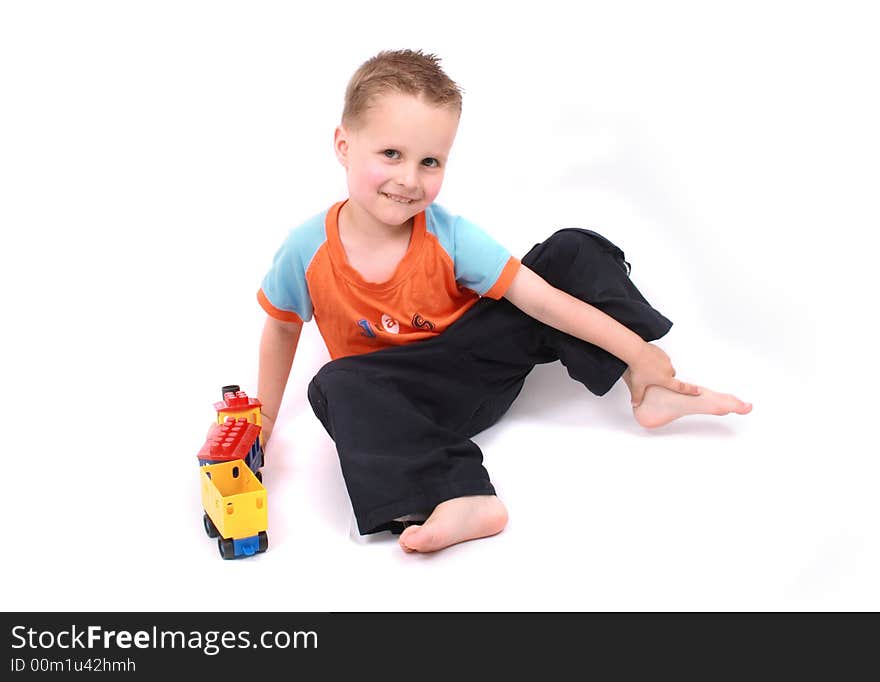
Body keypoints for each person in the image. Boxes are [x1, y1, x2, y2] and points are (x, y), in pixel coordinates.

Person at [255, 49, 751, 554]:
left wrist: (640, 353)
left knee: (570, 250)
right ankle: (458, 493)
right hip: (404, 399)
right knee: (335, 383)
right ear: (343, 144)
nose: (409, 178)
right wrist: (265, 420)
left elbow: (542, 301)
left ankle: (648, 387)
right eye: (391, 154)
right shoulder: (306, 249)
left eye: (430, 161)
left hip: (478, 366)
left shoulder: (449, 236)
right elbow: (281, 327)